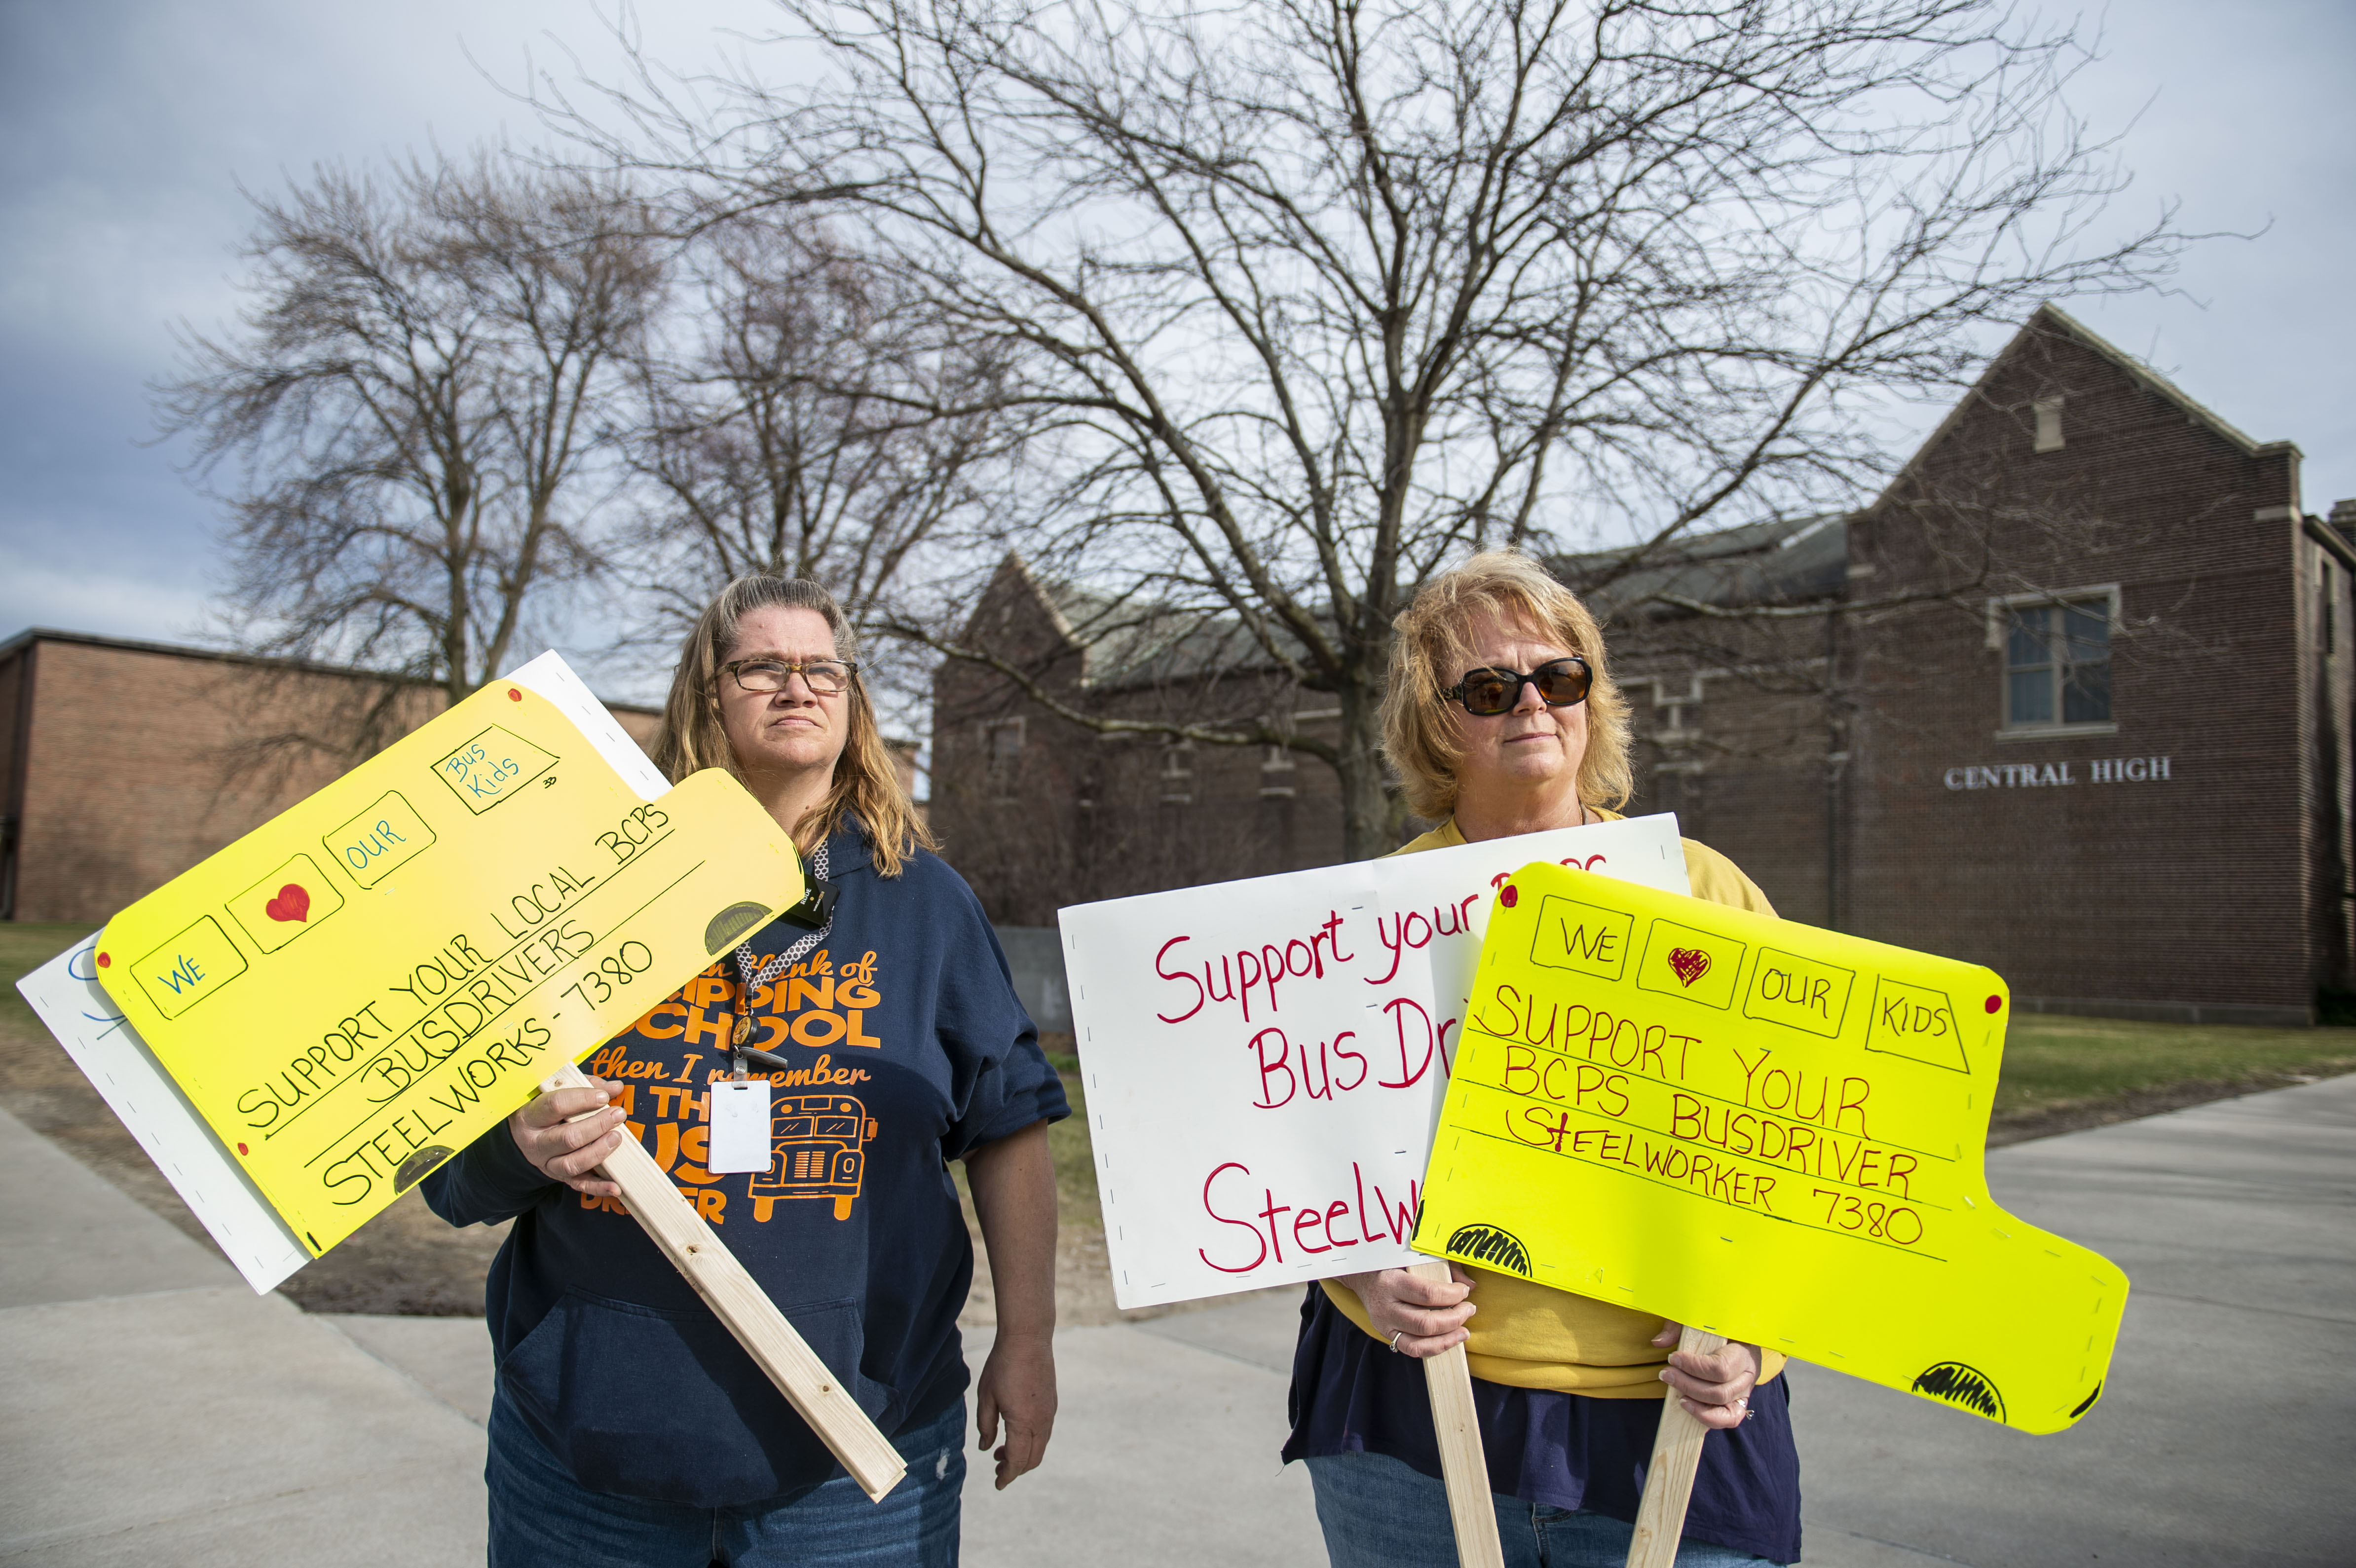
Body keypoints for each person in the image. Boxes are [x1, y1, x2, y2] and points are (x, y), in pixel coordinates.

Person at [424, 575, 1068, 1568]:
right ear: (705, 693)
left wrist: (1029, 1338)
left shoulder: (926, 904)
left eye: (822, 668)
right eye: (761, 665)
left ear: (851, 703)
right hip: (589, 1464)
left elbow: (1009, 1128)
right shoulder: (586, 894)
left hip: (860, 1466)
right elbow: (450, 1176)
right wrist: (519, 1147)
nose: (797, 685)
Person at [1281, 551, 1800, 1566]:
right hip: (1416, 1422)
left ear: (1592, 696)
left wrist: (1754, 1343)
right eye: (1488, 687)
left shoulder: (1704, 890)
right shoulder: (1362, 914)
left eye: (1559, 677)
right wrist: (1361, 1272)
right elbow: (1292, 1151)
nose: (1533, 705)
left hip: (1679, 1420)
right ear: (1437, 720)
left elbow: (1803, 1155)